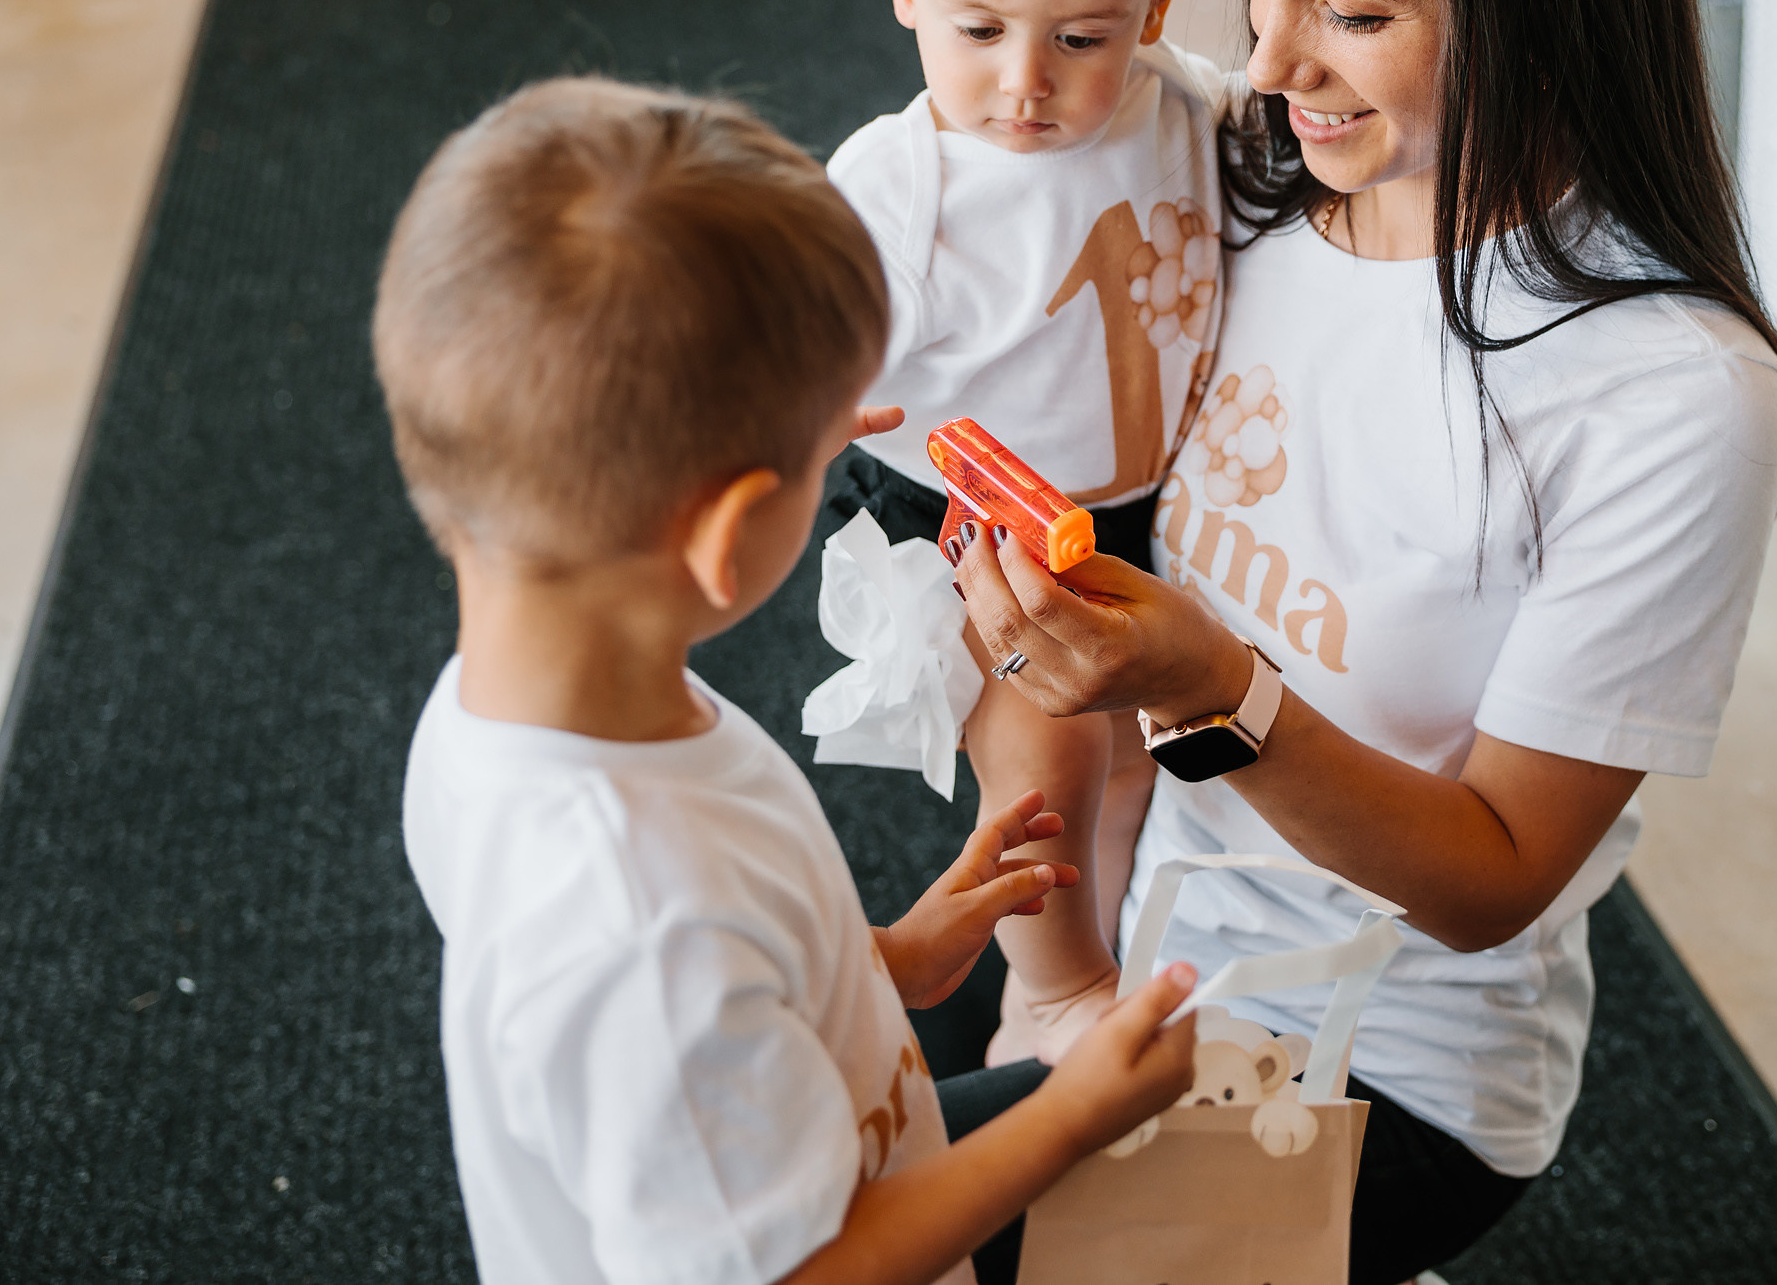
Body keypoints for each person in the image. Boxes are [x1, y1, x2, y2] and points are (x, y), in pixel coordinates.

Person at [945, 0, 1777, 1285]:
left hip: (1384, 1065)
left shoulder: (1672, 394)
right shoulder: (1233, 184)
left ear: (1546, 2)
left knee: (845, 1233)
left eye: (1352, 8)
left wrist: (1217, 685)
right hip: (1158, 956)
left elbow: (1491, 882)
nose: (1267, 57)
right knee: (782, 1162)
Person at [375, 77, 1199, 1285]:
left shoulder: (500, 718)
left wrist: (883, 960)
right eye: (833, 449)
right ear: (731, 534)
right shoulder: (643, 926)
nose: (846, 453)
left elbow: (722, 1011)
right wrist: (1074, 1116)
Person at [820, 0, 1241, 1065]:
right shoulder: (905, 184)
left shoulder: (1180, 101)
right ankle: (1047, 987)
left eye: (1081, 36)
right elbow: (798, 319)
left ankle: (1106, 943)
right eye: (980, 26)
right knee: (1051, 753)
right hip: (978, 528)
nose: (1025, 82)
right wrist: (805, 397)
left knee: (1140, 753)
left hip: (1140, 505)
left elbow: (1275, 155)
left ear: (1160, 4)